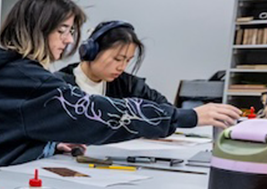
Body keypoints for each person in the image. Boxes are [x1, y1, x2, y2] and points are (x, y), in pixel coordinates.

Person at [0, 0, 238, 177]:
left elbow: (9, 133)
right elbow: (96, 113)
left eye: (70, 31)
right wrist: (186, 116)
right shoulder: (24, 78)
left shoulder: (8, 69)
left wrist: (49, 146)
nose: (68, 40)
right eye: (62, 31)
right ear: (37, 30)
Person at [56, 21, 240, 128]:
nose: (122, 67)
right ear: (90, 52)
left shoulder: (128, 84)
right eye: (117, 58)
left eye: (127, 60)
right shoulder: (60, 84)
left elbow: (164, 108)